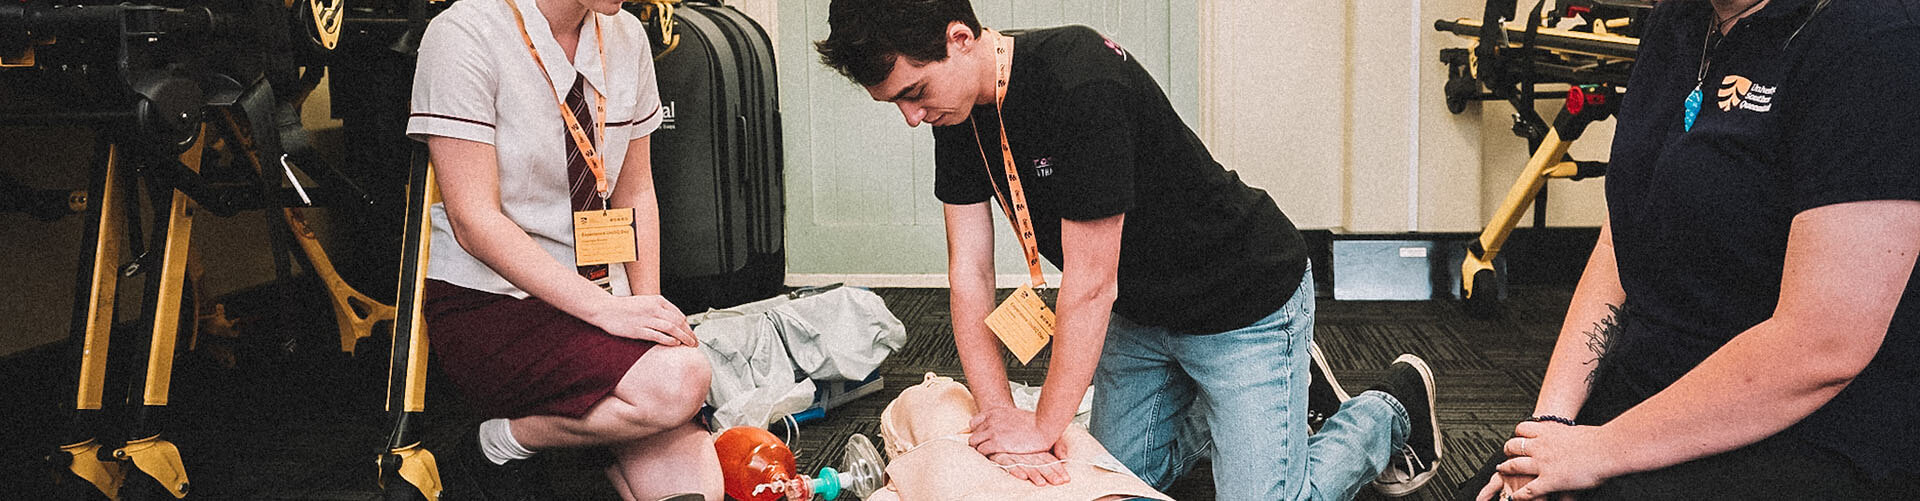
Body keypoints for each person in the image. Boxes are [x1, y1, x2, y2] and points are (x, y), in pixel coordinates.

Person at [815, 1, 1444, 499]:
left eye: (914, 93)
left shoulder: (1079, 80)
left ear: (960, 38)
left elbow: (1089, 286)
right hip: (1140, 318)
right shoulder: (955, 114)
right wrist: (999, 417)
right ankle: (1249, 401)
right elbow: (969, 274)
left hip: (1241, 302)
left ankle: (1385, 413)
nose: (911, 117)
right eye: (897, 102)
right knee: (1118, 482)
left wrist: (1039, 430)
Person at [1465, 0, 1920, 499]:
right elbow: (1624, 237)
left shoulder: (1878, 38)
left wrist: (1600, 452)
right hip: (1648, 394)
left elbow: (1824, 346)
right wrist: (1548, 428)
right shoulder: (1679, 19)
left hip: (1808, 432)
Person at [407, 0, 722, 498]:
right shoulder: (462, 32)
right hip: (494, 305)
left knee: (695, 485)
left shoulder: (627, 37)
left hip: (601, 298)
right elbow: (474, 221)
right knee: (681, 382)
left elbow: (634, 189)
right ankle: (505, 439)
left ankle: (552, 442)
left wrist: (649, 314)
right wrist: (609, 316)